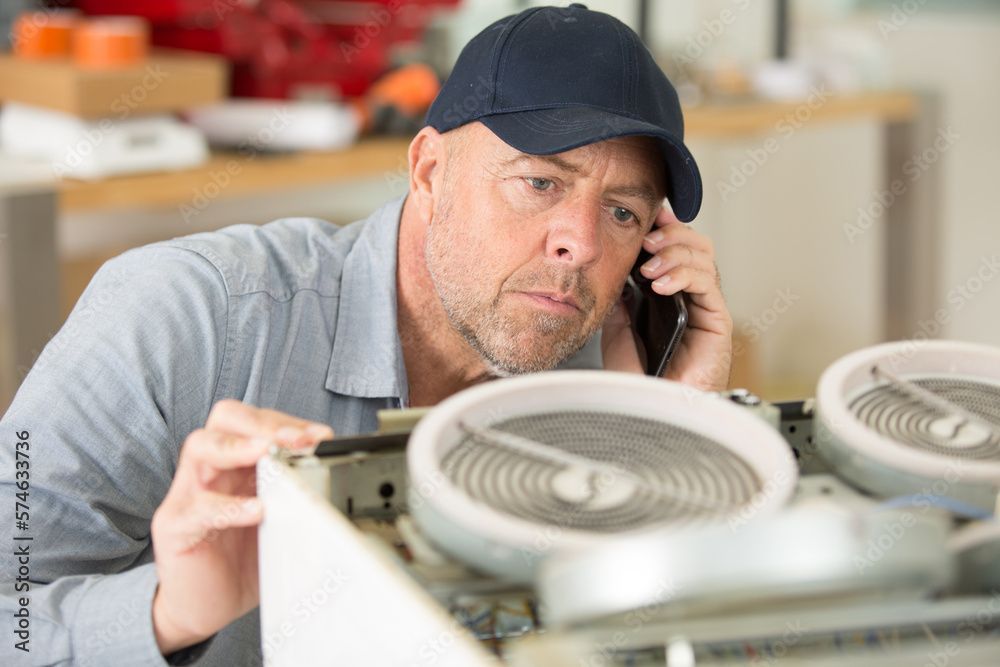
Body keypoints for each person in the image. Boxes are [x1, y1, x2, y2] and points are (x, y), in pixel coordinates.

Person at [0, 4, 732, 665]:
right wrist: (169, 613)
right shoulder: (180, 313)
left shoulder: (606, 388)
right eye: (540, 182)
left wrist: (676, 434)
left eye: (624, 213)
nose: (579, 243)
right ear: (428, 170)